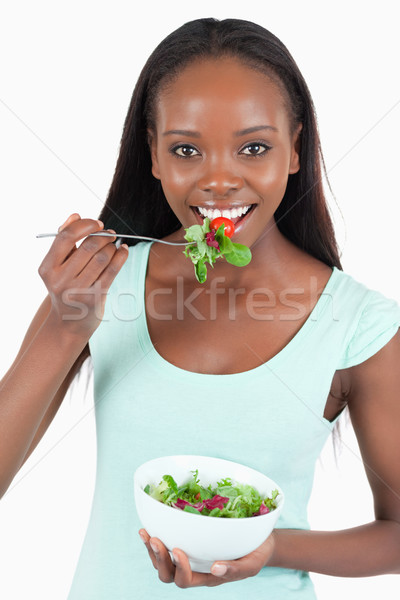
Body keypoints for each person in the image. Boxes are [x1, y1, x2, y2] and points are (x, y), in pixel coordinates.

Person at [1, 16, 400, 600]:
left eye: (254, 147)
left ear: (295, 150)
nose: (218, 180)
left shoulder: (359, 324)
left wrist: (270, 550)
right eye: (186, 149)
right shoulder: (97, 286)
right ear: (155, 156)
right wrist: (65, 325)